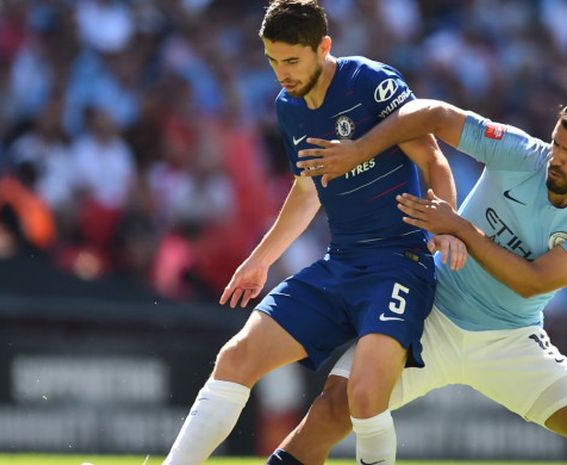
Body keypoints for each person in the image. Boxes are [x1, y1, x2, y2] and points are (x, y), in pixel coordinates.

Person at [267, 93, 567, 465]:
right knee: (331, 409)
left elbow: (533, 281)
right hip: (429, 312)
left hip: (509, 339)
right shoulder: (521, 153)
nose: (557, 158)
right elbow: (432, 113)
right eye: (556, 144)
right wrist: (361, 149)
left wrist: (459, 228)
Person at [162, 1, 460, 464]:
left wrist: (449, 226)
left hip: (398, 265)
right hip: (339, 264)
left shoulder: (372, 83)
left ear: (324, 47)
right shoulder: (289, 106)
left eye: (292, 60)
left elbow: (432, 159)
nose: (282, 73)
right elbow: (308, 191)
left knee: (363, 399)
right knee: (235, 357)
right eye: (272, 60)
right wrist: (260, 259)